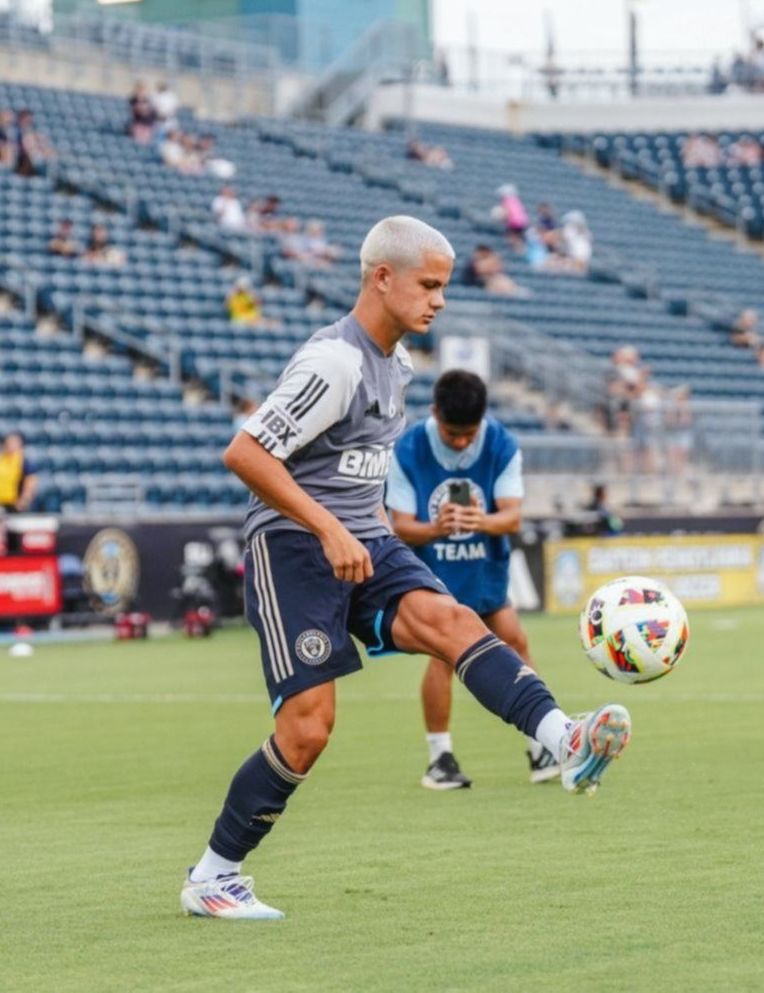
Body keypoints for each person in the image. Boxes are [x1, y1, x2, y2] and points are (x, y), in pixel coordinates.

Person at [180, 215, 632, 921]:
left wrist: (364, 530)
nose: (440, 300)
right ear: (382, 277)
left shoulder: (399, 365)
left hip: (366, 540)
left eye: (444, 286)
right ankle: (214, 873)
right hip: (294, 546)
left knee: (454, 620)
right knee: (308, 727)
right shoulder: (335, 363)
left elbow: (354, 475)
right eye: (430, 284)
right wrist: (327, 526)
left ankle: (563, 738)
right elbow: (245, 453)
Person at [385, 370, 560, 789]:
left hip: (485, 570)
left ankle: (542, 745)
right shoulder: (408, 449)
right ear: (434, 414)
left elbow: (512, 516)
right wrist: (436, 529)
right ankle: (440, 758)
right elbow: (401, 526)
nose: (462, 442)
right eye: (452, 433)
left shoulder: (500, 443)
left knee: (516, 641)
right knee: (444, 657)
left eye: (469, 433)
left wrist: (479, 520)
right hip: (435, 574)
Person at [0, 432, 38, 513]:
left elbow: (30, 484)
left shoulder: (24, 462)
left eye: (14, 443)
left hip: (13, 504)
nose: (11, 445)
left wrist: (23, 502)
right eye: (9, 442)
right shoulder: (1, 459)